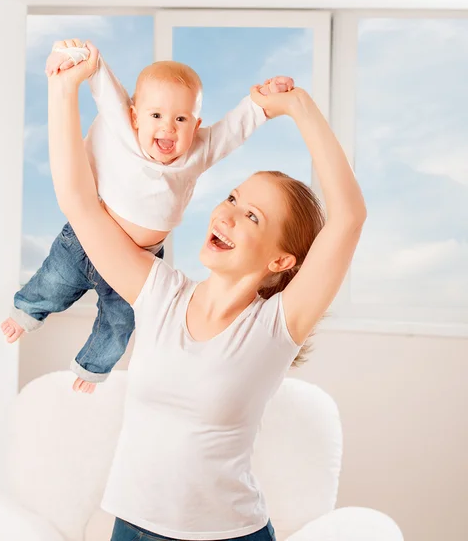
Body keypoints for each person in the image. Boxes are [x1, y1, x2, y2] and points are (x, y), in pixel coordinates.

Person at [47, 40, 366, 541]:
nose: (227, 213)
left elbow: (348, 219)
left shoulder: (276, 326)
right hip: (131, 527)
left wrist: (299, 108)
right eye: (233, 198)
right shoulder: (160, 295)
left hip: (231, 534)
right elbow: (80, 203)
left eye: (252, 216)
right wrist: (63, 89)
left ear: (281, 261)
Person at [1, 39, 293, 393]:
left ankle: (92, 368)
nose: (168, 128)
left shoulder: (197, 152)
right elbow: (100, 78)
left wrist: (262, 104)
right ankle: (26, 313)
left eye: (181, 119)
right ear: (136, 115)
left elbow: (234, 129)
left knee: (121, 321)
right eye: (156, 116)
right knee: (53, 281)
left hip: (140, 262)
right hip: (84, 242)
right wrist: (74, 57)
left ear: (195, 123)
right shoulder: (122, 125)